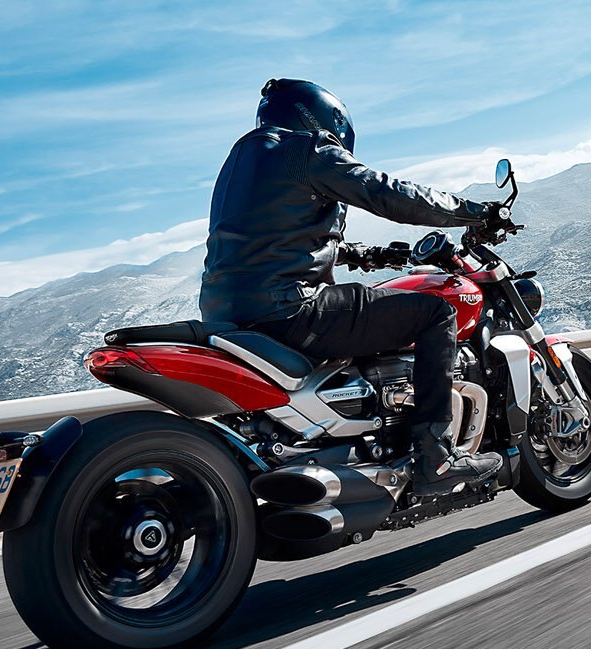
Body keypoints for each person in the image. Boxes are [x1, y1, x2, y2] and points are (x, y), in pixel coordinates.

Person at [200, 78, 502, 495]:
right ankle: (436, 456)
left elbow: (274, 240)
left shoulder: (242, 162)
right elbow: (389, 193)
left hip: (226, 316)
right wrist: (474, 213)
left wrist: (367, 255)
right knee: (436, 313)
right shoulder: (304, 148)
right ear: (323, 118)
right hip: (291, 309)